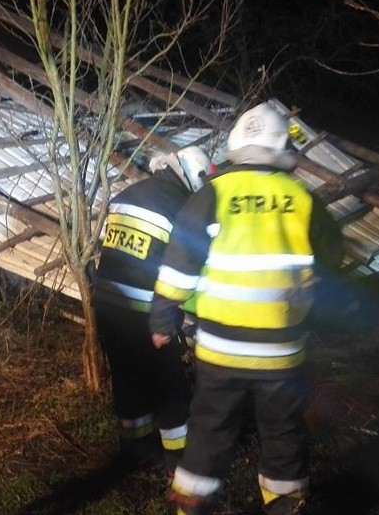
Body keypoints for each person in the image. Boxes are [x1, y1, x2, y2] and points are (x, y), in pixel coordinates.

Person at [149, 102, 343, 515]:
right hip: (283, 349)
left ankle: (192, 505)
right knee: (283, 432)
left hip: (221, 347)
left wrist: (163, 318)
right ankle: (284, 503)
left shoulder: (213, 194)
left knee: (209, 429)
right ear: (282, 147)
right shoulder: (302, 198)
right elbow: (330, 264)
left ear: (237, 145)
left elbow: (180, 263)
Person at [93, 145, 213, 475]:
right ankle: (178, 459)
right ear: (192, 178)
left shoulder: (125, 194)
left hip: (107, 302)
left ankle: (136, 449)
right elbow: (184, 269)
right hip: (145, 311)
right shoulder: (181, 207)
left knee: (127, 377)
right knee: (169, 384)